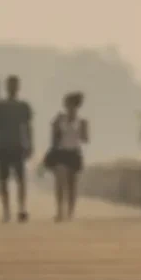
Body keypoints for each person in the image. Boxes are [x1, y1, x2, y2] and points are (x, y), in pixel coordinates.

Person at [0, 75, 34, 223]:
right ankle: (6, 210)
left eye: (14, 85)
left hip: (17, 146)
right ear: (7, 87)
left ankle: (22, 208)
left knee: (21, 179)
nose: (12, 88)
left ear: (18, 88)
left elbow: (28, 127)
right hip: (3, 146)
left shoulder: (23, 107)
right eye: (10, 85)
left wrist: (30, 145)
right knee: (3, 180)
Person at [44, 92, 88, 222]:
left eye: (71, 105)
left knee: (72, 184)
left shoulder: (82, 121)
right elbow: (53, 138)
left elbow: (85, 139)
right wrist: (55, 127)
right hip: (61, 152)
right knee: (60, 181)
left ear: (76, 106)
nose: (68, 107)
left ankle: (70, 212)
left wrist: (81, 131)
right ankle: (59, 211)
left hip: (74, 153)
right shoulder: (59, 119)